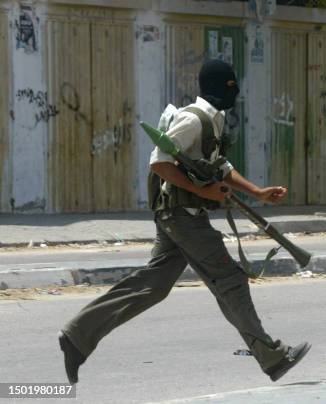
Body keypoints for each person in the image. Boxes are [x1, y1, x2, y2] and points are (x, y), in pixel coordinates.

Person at [58, 60, 311, 385]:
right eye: (232, 86)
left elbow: (219, 166)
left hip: (177, 216)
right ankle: (272, 355)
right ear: (222, 87)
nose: (235, 93)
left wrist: (257, 192)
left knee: (154, 285)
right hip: (183, 218)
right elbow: (159, 163)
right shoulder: (192, 118)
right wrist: (201, 189)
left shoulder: (213, 121)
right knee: (231, 281)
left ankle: (77, 336)